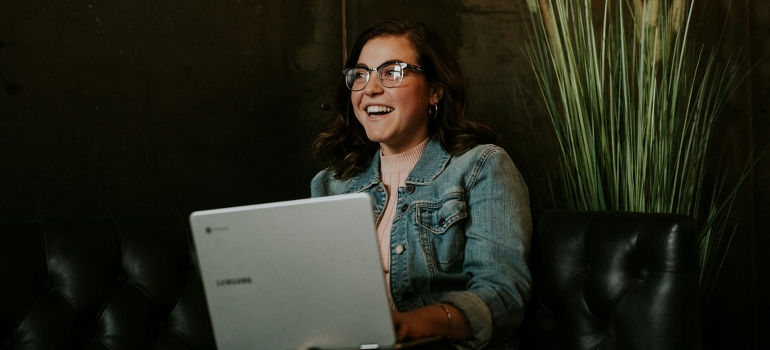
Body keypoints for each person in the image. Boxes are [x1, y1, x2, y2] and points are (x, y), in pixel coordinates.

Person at [310, 19, 531, 350]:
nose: (370, 88)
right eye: (360, 74)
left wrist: (411, 327)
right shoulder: (330, 184)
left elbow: (502, 295)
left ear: (435, 91)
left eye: (391, 72)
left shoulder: (481, 166)